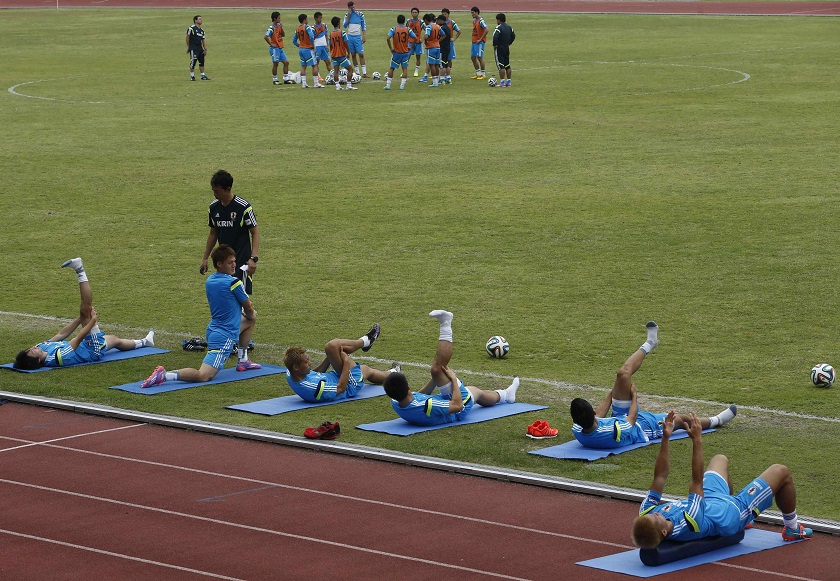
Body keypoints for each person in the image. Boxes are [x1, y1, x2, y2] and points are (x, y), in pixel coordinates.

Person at [631, 411, 814, 547]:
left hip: (711, 500)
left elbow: (660, 476)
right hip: (730, 512)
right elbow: (696, 481)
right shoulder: (689, 521)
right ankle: (791, 528)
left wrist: (665, 437)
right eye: (655, 518)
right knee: (781, 471)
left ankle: (748, 519)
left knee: (720, 459)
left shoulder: (648, 511)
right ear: (664, 532)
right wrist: (697, 440)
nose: (654, 514)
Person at [570, 322, 737, 449]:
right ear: (590, 412)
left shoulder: (578, 428)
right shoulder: (612, 432)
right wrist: (634, 396)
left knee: (622, 374)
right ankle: (716, 420)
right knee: (681, 420)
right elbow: (633, 418)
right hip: (642, 428)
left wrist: (613, 391)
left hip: (619, 417)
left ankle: (650, 343)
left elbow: (600, 414)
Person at [141, 245, 259, 388]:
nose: (234, 264)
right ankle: (165, 375)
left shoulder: (210, 281)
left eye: (234, 261)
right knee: (203, 375)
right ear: (219, 264)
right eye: (230, 262)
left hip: (213, 330)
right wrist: (250, 314)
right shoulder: (234, 283)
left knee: (249, 321)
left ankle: (243, 360)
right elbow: (248, 307)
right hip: (225, 337)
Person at [383, 310, 520, 426]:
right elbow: (457, 406)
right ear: (407, 388)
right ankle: (446, 323)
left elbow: (419, 396)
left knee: (476, 392)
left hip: (443, 403)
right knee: (437, 369)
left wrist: (435, 380)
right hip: (459, 409)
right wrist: (453, 380)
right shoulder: (427, 406)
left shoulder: (397, 401)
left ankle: (506, 395)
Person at [14, 258, 154, 370]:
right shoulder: (58, 358)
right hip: (91, 350)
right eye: (32, 352)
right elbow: (78, 338)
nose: (33, 348)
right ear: (38, 360)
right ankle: (79, 269)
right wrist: (91, 320)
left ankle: (145, 342)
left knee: (114, 340)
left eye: (29, 349)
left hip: (84, 345)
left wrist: (78, 320)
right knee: (85, 310)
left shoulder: (41, 347)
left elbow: (61, 334)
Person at [283, 324, 392, 402]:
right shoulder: (314, 388)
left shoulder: (291, 372)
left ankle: (391, 371)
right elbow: (341, 388)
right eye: (306, 362)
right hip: (348, 385)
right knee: (364, 369)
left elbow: (315, 373)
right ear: (296, 367)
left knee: (333, 348)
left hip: (336, 377)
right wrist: (346, 363)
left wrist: (331, 356)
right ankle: (366, 343)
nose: (310, 363)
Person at [200, 170, 260, 298]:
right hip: (223, 262)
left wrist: (253, 258)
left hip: (241, 262)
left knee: (240, 300)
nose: (214, 194)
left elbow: (255, 233)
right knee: (226, 298)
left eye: (217, 191)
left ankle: (247, 317)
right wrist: (205, 258)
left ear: (228, 189)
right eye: (213, 190)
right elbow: (213, 233)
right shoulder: (213, 208)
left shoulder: (243, 207)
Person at [384, 14, 418, 91]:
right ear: (404, 21)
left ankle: (388, 85)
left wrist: (391, 48)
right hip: (405, 52)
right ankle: (402, 86)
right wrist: (411, 47)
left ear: (397, 20)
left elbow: (388, 38)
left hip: (396, 52)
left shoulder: (394, 29)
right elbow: (415, 38)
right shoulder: (408, 29)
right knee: (404, 69)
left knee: (392, 68)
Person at [328, 17, 358, 91]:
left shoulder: (331, 34)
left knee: (336, 71)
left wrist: (331, 53)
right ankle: (348, 85)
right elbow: (346, 43)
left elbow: (330, 45)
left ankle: (338, 86)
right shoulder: (342, 33)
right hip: (341, 55)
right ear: (338, 23)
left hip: (334, 55)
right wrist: (348, 52)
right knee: (350, 69)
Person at [293, 14, 322, 89]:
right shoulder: (307, 27)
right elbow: (311, 36)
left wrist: (299, 45)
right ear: (304, 20)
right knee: (314, 65)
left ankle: (304, 83)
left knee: (303, 66)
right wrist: (312, 45)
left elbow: (294, 41)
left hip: (301, 49)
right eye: (306, 19)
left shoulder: (298, 28)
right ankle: (316, 83)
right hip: (308, 49)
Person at [264, 11, 291, 85]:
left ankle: (286, 79)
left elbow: (283, 35)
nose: (280, 19)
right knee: (275, 64)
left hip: (280, 47)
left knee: (286, 62)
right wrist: (271, 44)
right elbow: (265, 37)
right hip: (275, 49)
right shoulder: (271, 28)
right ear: (274, 19)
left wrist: (281, 27)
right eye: (279, 18)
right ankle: (275, 79)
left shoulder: (279, 26)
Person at [343, 1, 369, 77]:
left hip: (358, 37)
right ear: (348, 8)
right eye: (352, 7)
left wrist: (364, 36)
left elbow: (363, 26)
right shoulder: (346, 15)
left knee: (361, 54)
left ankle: (364, 73)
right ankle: (357, 73)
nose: (353, 9)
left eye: (354, 7)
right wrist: (349, 15)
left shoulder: (360, 14)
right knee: (353, 55)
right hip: (350, 37)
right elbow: (345, 25)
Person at [492, 13, 515, 87]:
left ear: (498, 20)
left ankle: (502, 82)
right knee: (507, 65)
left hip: (500, 48)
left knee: (501, 65)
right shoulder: (509, 27)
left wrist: (495, 45)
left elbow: (495, 37)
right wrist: (509, 43)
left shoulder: (498, 28)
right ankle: (509, 81)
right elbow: (513, 36)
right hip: (506, 47)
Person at [420, 13, 443, 87]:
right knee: (436, 64)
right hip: (437, 47)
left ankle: (434, 82)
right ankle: (437, 81)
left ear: (426, 20)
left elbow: (426, 36)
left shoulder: (429, 27)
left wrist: (426, 42)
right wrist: (438, 41)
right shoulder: (438, 26)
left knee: (431, 64)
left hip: (431, 47)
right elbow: (444, 35)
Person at [186, 15, 209, 81]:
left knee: (202, 62)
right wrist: (188, 46)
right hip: (193, 48)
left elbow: (203, 40)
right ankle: (192, 76)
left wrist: (205, 48)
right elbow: (187, 37)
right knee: (193, 62)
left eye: (201, 19)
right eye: (199, 19)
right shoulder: (191, 28)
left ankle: (203, 75)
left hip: (200, 48)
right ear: (195, 20)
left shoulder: (202, 30)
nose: (201, 20)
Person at [441, 8, 460, 83]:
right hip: (443, 43)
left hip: (449, 43)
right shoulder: (440, 23)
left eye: (445, 14)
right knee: (443, 58)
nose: (444, 15)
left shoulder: (451, 22)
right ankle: (445, 74)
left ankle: (448, 74)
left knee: (449, 59)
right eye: (443, 14)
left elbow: (459, 31)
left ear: (448, 14)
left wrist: (454, 39)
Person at [469, 7, 488, 80]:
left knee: (480, 57)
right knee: (473, 57)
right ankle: (478, 73)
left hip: (479, 42)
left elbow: (486, 30)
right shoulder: (474, 21)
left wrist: (480, 39)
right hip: (474, 41)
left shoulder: (481, 21)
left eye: (473, 13)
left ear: (477, 12)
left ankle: (483, 74)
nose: (472, 14)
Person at [312, 12, 331, 84]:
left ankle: (332, 75)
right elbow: (312, 38)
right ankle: (318, 76)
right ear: (315, 18)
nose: (320, 19)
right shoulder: (313, 28)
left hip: (324, 46)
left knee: (328, 61)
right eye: (319, 18)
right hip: (317, 46)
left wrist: (327, 45)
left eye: (321, 18)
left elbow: (326, 35)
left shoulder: (324, 25)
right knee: (317, 62)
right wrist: (314, 48)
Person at [407, 8, 424, 77]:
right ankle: (404, 70)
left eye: (415, 12)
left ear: (418, 13)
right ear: (411, 13)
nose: (414, 14)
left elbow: (427, 30)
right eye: (413, 12)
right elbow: (404, 29)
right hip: (410, 42)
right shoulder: (408, 21)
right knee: (407, 56)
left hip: (418, 43)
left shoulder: (421, 22)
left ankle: (416, 71)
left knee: (418, 57)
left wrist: (422, 40)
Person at [436, 14, 452, 86]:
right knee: (446, 64)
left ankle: (442, 79)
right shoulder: (447, 27)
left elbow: (442, 36)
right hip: (448, 47)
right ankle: (448, 78)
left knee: (442, 64)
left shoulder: (442, 28)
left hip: (442, 48)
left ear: (442, 20)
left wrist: (437, 42)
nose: (437, 21)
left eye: (438, 20)